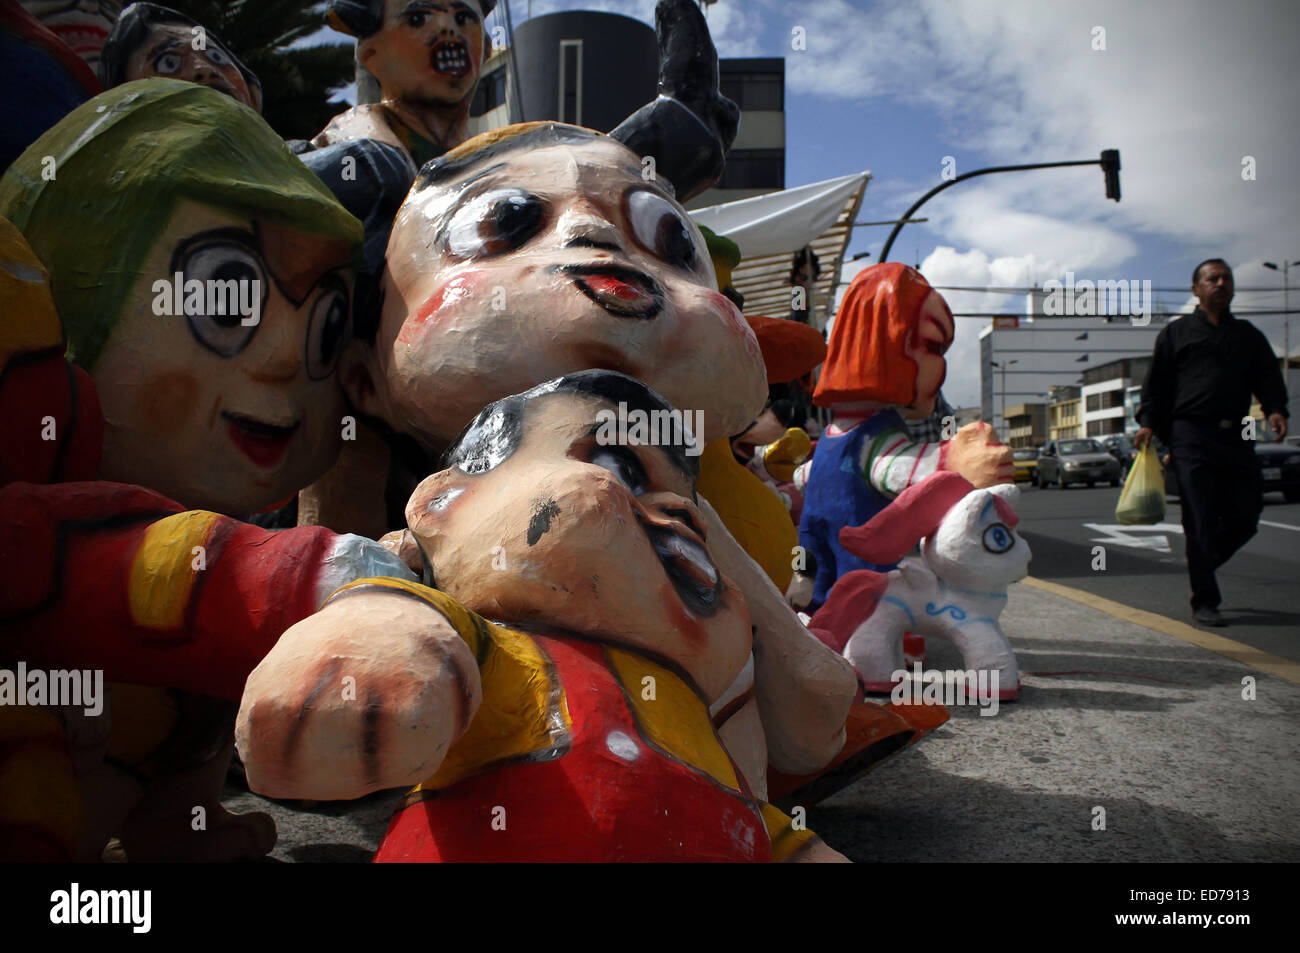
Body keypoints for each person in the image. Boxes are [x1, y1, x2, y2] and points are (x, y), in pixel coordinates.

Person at [1135, 259, 1289, 626]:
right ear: (1196, 290)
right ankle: (1205, 599)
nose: (1221, 283)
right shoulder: (1176, 333)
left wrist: (1275, 410)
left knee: (1246, 515)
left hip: (1237, 434)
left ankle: (1203, 561)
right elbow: (1157, 385)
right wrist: (1148, 424)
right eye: (1212, 279)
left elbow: (1267, 376)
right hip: (1190, 434)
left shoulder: (1248, 335)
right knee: (1199, 518)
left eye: (1226, 278)